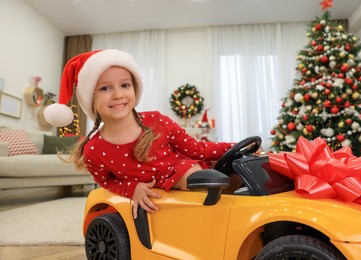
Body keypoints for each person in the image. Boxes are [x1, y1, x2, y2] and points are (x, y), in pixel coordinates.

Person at [44, 49, 237, 219]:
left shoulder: (157, 121)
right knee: (208, 183)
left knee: (222, 178)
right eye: (105, 88)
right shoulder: (94, 150)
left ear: (135, 89)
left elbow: (197, 149)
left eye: (125, 85)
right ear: (90, 99)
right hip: (158, 201)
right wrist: (131, 188)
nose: (118, 94)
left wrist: (233, 147)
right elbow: (106, 181)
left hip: (185, 172)